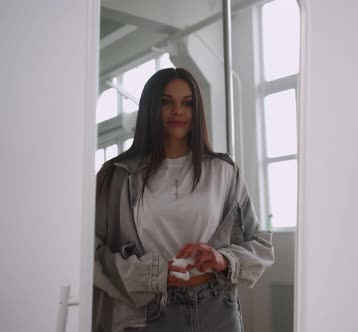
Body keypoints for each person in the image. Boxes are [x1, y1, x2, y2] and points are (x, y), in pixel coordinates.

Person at [93, 68, 274, 332]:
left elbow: (260, 246)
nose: (178, 111)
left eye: (187, 103)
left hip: (217, 310)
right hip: (145, 313)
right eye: (167, 102)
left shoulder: (223, 171)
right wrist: (151, 275)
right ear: (150, 109)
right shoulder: (116, 175)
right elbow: (92, 254)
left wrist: (221, 259)